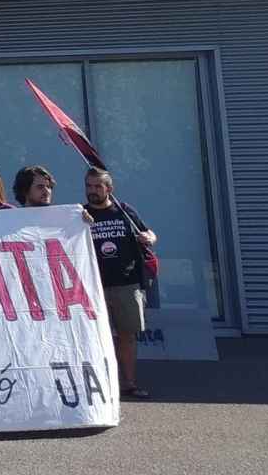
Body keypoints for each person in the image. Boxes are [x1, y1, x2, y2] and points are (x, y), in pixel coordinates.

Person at [84, 168, 158, 399]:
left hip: (127, 283)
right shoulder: (80, 213)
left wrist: (149, 238)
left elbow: (149, 233)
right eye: (89, 186)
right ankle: (105, 386)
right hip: (94, 286)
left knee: (127, 336)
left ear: (109, 189)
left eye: (97, 186)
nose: (92, 191)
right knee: (98, 337)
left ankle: (129, 383)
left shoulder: (124, 211)